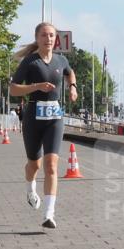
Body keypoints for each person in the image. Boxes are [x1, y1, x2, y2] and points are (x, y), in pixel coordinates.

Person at [9, 22, 77, 229]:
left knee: (51, 166)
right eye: (44, 35)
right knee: (34, 165)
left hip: (54, 117)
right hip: (33, 118)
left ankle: (49, 214)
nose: (48, 39)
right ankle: (30, 189)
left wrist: (72, 87)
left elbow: (69, 71)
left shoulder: (60, 59)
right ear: (37, 38)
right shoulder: (30, 62)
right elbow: (13, 90)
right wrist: (37, 86)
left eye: (52, 36)